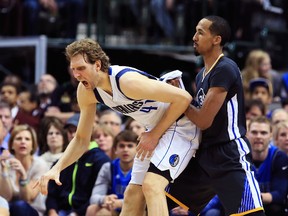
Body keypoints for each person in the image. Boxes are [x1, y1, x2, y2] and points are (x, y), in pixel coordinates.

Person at [34, 38, 200, 216]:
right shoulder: (86, 91)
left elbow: (183, 98)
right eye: (74, 69)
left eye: (81, 68)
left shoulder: (126, 81)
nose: (76, 75)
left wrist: (153, 135)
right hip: (155, 129)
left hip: (180, 125)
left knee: (152, 185)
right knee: (132, 195)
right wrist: (56, 169)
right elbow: (81, 139)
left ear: (97, 65)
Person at [167, 15, 265, 216]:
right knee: (158, 199)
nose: (194, 37)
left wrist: (181, 98)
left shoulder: (225, 68)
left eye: (200, 32)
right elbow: (195, 114)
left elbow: (203, 120)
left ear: (216, 39)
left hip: (228, 155)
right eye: (195, 31)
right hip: (204, 156)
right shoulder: (201, 74)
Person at [45, 113, 110, 216]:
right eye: (70, 131)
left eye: (76, 130)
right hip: (61, 211)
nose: (72, 134)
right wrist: (52, 211)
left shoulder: (101, 160)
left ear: (89, 131)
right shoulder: (61, 161)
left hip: (85, 212)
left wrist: (76, 213)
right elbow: (52, 194)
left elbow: (98, 194)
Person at [86, 130, 139, 216]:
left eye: (130, 146)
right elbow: (94, 198)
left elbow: (143, 201)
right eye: (121, 146)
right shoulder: (108, 167)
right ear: (115, 149)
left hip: (135, 210)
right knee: (92, 209)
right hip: (114, 208)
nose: (125, 149)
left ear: (137, 149)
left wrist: (121, 203)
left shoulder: (143, 169)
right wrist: (105, 199)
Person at [247, 116, 288, 216]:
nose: (258, 136)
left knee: (276, 208)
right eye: (254, 132)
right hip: (245, 209)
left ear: (270, 136)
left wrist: (253, 198)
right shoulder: (239, 158)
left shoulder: (279, 157)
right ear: (247, 134)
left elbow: (279, 194)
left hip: (270, 209)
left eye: (263, 133)